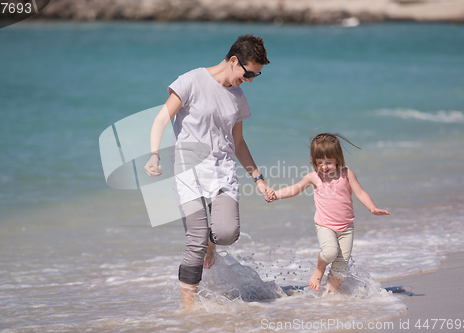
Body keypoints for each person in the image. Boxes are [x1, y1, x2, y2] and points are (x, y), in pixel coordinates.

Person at [144, 34, 273, 309]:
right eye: (249, 73)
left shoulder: (238, 97)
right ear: (234, 61)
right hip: (187, 170)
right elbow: (161, 119)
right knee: (196, 239)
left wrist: (258, 179)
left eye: (256, 77)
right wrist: (154, 155)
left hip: (222, 170)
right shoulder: (192, 81)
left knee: (226, 233)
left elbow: (238, 142)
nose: (249, 80)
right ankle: (188, 308)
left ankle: (211, 244)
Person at [269, 133, 390, 293]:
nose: (324, 167)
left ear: (338, 159)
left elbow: (360, 193)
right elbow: (295, 189)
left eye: (328, 162)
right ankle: (319, 269)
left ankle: (329, 296)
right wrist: (276, 194)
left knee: (341, 265)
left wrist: (372, 208)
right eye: (319, 163)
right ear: (313, 161)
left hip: (346, 228)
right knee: (330, 252)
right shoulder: (314, 177)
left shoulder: (346, 174)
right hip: (325, 226)